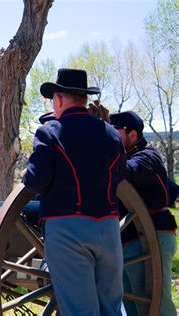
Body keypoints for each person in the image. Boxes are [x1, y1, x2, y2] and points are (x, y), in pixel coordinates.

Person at [22, 68, 126, 315]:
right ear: (83, 98)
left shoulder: (50, 132)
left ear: (58, 99)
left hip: (67, 229)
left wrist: (27, 175)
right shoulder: (110, 133)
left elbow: (36, 181)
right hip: (109, 227)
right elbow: (120, 174)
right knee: (112, 307)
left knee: (80, 310)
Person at [109, 111, 177, 316]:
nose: (111, 136)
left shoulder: (148, 156)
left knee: (156, 306)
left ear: (132, 134)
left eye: (115, 132)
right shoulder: (126, 155)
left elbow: (127, 170)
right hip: (130, 241)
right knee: (132, 307)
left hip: (151, 237)